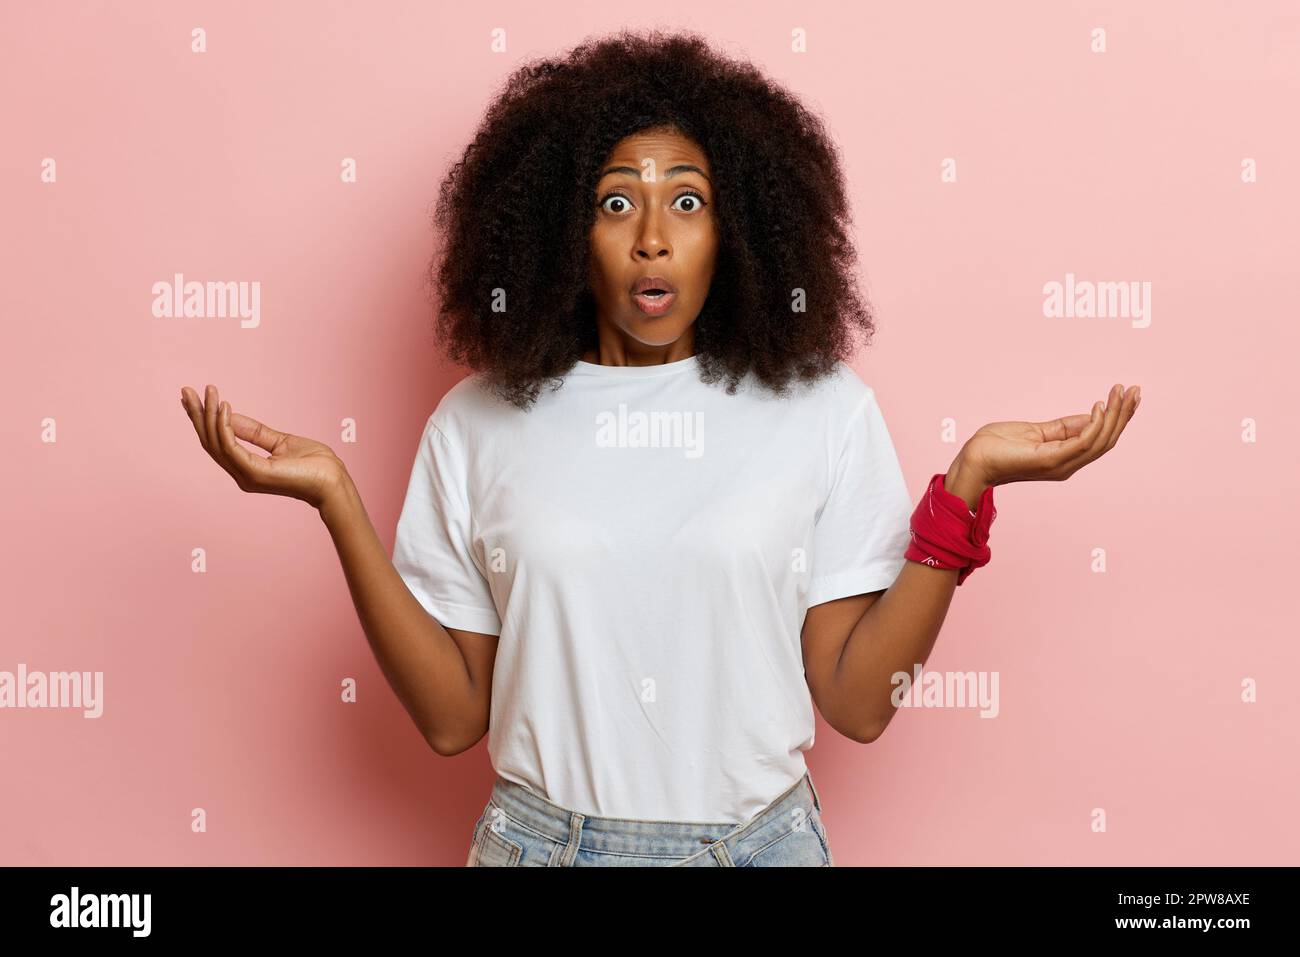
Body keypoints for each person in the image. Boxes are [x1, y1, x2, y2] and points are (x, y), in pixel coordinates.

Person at [179, 30, 1140, 867]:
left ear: (739, 229)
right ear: (559, 231)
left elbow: (857, 700)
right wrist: (335, 498)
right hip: (538, 845)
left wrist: (964, 488)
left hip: (759, 846)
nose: (650, 239)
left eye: (687, 202)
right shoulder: (476, 422)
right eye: (613, 204)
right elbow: (450, 718)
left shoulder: (822, 410)